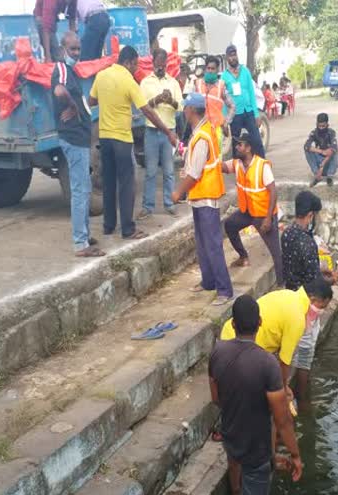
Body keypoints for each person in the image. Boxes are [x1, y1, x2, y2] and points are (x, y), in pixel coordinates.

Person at [209, 295, 302, 495]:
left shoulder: (217, 353)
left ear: (233, 324)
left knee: (235, 463)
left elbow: (216, 398)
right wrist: (295, 455)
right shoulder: (267, 363)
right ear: (260, 323)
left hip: (231, 434)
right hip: (257, 447)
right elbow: (282, 420)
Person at [89, 46, 178, 239]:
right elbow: (147, 111)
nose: (136, 68)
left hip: (104, 138)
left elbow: (91, 100)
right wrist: (168, 132)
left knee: (109, 183)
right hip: (122, 139)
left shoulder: (102, 75)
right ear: (128, 62)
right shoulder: (129, 82)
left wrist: (108, 101)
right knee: (127, 184)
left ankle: (108, 225)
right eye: (135, 64)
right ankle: (128, 228)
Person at [220, 277, 334, 396]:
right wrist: (284, 388)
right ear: (313, 299)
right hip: (243, 350)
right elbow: (284, 361)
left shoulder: (287, 294)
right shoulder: (298, 318)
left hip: (228, 336)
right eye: (321, 307)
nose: (321, 311)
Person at [171, 93, 233, 306]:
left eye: (185, 108)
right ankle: (209, 282)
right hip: (201, 196)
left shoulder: (202, 136)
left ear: (190, 110)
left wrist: (179, 192)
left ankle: (224, 290)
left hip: (206, 196)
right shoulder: (202, 132)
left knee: (213, 244)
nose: (183, 111)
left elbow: (195, 173)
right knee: (202, 242)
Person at [280, 192, 338, 409]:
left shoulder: (286, 234)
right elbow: (315, 284)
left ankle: (295, 395)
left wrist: (319, 272)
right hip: (306, 305)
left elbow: (298, 269)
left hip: (291, 297)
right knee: (304, 357)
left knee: (293, 351)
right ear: (311, 215)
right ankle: (303, 401)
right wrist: (330, 279)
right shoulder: (306, 242)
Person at [51, 32, 104, 258]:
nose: (76, 53)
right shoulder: (62, 68)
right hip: (73, 139)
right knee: (81, 190)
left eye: (78, 49)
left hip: (79, 138)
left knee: (83, 188)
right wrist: (72, 106)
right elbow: (59, 90)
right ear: (63, 49)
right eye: (72, 49)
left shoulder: (70, 70)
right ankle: (81, 243)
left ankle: (84, 235)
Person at [222, 130, 284, 287]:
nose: (237, 147)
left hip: (263, 215)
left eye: (240, 145)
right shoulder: (238, 164)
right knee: (230, 224)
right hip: (248, 211)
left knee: (276, 253)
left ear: (248, 148)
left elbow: (273, 192)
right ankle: (243, 257)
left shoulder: (262, 166)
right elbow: (222, 167)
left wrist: (269, 218)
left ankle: (283, 286)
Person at [138, 48, 183, 220]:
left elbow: (180, 107)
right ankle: (147, 207)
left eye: (163, 64)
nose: (160, 67)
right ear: (152, 63)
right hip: (151, 131)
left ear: (166, 64)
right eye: (157, 64)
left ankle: (169, 203)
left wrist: (170, 100)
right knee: (150, 171)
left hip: (168, 132)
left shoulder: (173, 82)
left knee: (169, 170)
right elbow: (142, 107)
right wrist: (157, 99)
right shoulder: (145, 83)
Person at [222, 45, 266, 158]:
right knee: (237, 145)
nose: (233, 58)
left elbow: (252, 93)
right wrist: (225, 120)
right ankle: (238, 170)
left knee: (256, 140)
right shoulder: (224, 76)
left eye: (234, 55)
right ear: (227, 58)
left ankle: (262, 166)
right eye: (230, 55)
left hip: (249, 112)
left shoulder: (245, 71)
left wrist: (256, 114)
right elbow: (222, 98)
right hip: (235, 114)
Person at [196, 55, 236, 154]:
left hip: (216, 129)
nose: (210, 71)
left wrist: (226, 122)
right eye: (208, 68)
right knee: (201, 160)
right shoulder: (198, 84)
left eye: (213, 68)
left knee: (216, 159)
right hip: (201, 129)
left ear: (217, 70)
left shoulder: (221, 87)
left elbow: (232, 106)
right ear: (205, 69)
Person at [304, 113, 338, 187]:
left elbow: (333, 149)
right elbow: (306, 146)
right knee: (307, 151)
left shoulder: (331, 133)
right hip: (319, 161)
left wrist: (322, 166)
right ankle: (317, 175)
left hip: (328, 163)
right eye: (319, 126)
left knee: (334, 151)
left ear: (327, 125)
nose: (321, 128)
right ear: (316, 124)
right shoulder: (314, 133)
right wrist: (322, 151)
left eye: (323, 126)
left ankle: (329, 176)